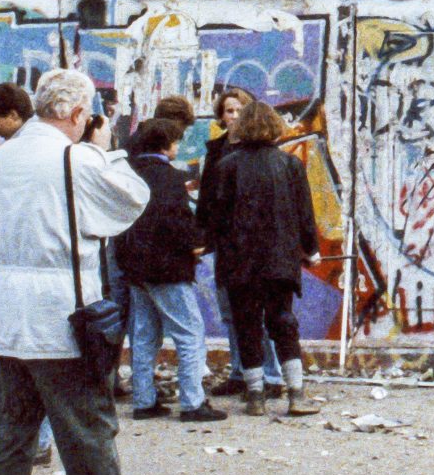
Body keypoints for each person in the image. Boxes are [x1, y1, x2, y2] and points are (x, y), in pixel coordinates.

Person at [0, 69, 171, 475]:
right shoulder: (75, 156)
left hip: (7, 311)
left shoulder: (7, 153)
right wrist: (106, 148)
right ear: (76, 114)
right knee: (87, 433)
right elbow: (130, 199)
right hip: (59, 315)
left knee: (12, 438)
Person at [199, 94, 322, 417]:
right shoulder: (290, 164)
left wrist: (207, 244)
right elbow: (304, 215)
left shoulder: (226, 166)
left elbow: (212, 217)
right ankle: (296, 393)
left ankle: (255, 396)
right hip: (279, 259)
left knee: (246, 323)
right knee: (283, 321)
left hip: (238, 261)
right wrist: (310, 249)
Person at [118, 119, 222, 422]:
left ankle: (144, 400)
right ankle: (192, 402)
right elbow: (176, 221)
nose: (178, 147)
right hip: (168, 268)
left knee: (145, 335)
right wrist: (195, 243)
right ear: (165, 146)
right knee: (190, 333)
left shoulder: (132, 174)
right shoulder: (171, 178)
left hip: (136, 268)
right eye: (176, 142)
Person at [196, 90, 285, 404]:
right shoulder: (217, 151)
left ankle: (270, 375)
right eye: (227, 111)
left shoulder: (266, 152)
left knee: (260, 313)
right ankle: (241, 371)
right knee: (232, 313)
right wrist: (204, 234)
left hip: (260, 244)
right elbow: (208, 198)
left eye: (238, 110)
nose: (232, 116)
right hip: (227, 243)